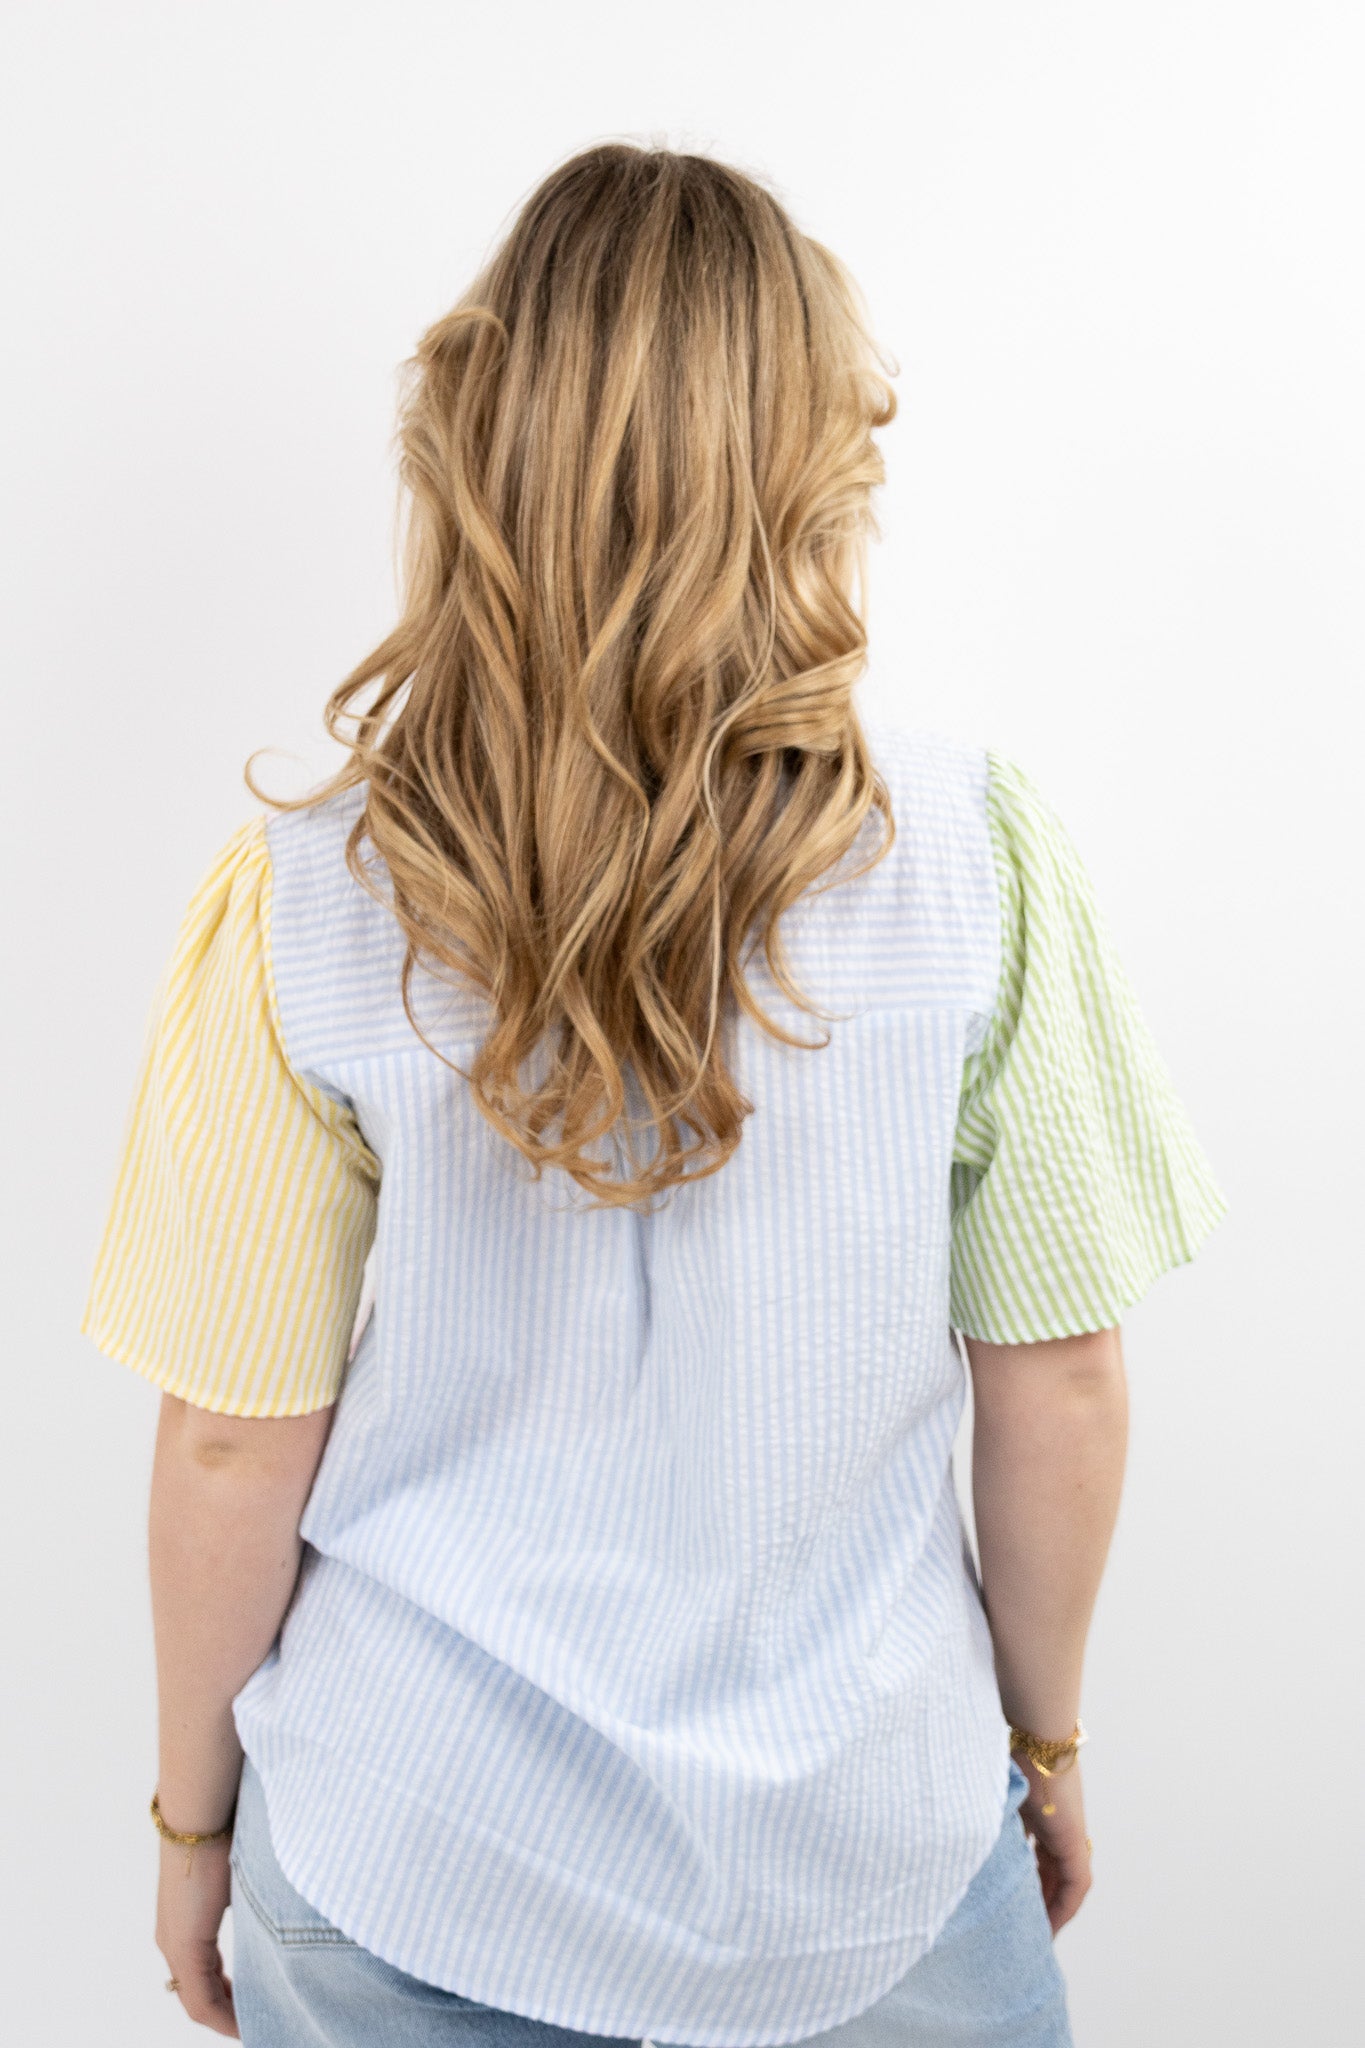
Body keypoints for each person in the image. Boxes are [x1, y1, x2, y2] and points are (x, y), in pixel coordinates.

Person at [82, 144, 1225, 2048]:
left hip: (408, 1851)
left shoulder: (308, 892)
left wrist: (191, 1826)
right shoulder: (972, 856)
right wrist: (1040, 1743)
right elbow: (1061, 1376)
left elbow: (227, 1439)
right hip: (860, 1862)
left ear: (478, 442)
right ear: (812, 450)